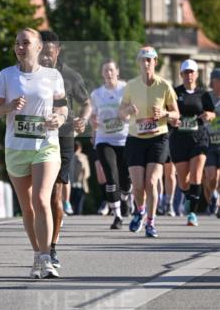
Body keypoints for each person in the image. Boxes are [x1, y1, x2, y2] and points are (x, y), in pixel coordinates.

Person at [0, 28, 67, 279]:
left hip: (46, 145)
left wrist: (59, 118)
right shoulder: (6, 75)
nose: (20, 47)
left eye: (26, 42)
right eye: (17, 43)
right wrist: (9, 107)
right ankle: (37, 254)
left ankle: (47, 258)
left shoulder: (53, 76)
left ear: (39, 47)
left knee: (41, 199)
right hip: (16, 147)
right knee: (28, 209)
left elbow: (62, 106)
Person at [38, 31, 90, 268]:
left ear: (58, 50)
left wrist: (83, 120)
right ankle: (42, 243)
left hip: (63, 138)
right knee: (38, 197)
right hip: (35, 139)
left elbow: (86, 103)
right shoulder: (29, 73)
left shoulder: (70, 75)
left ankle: (52, 246)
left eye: (49, 54)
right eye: (42, 53)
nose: (46, 59)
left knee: (55, 195)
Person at [119, 47, 179, 238]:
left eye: (149, 60)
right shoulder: (131, 86)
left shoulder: (164, 86)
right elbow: (120, 113)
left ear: (155, 62)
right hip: (135, 138)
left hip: (158, 138)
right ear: (139, 63)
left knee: (151, 182)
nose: (146, 64)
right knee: (137, 185)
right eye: (142, 60)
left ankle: (151, 222)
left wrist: (165, 114)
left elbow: (177, 114)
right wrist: (128, 110)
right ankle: (140, 209)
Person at [169, 59, 215, 226]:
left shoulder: (203, 94)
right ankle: (190, 198)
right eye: (186, 72)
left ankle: (192, 213)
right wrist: (172, 120)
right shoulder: (174, 93)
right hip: (179, 140)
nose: (189, 75)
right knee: (183, 181)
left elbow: (211, 112)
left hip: (199, 138)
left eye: (192, 72)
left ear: (196, 74)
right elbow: (168, 114)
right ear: (181, 74)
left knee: (196, 175)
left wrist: (209, 116)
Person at [90, 60, 131, 230]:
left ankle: (126, 197)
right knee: (111, 177)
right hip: (104, 139)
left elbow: (133, 109)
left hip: (125, 138)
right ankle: (117, 216)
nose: (108, 73)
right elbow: (92, 115)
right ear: (102, 74)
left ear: (117, 72)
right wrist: (93, 121)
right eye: (105, 70)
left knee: (126, 179)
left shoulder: (126, 89)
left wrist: (127, 114)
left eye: (111, 70)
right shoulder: (97, 94)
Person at [202, 68, 220, 216]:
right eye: (218, 80)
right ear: (212, 82)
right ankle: (213, 196)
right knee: (211, 176)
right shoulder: (206, 97)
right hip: (209, 142)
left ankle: (217, 203)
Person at [70, 140, 91, 215]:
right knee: (78, 204)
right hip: (80, 184)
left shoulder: (68, 156)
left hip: (70, 184)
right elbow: (87, 172)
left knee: (70, 203)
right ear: (80, 148)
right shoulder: (83, 157)